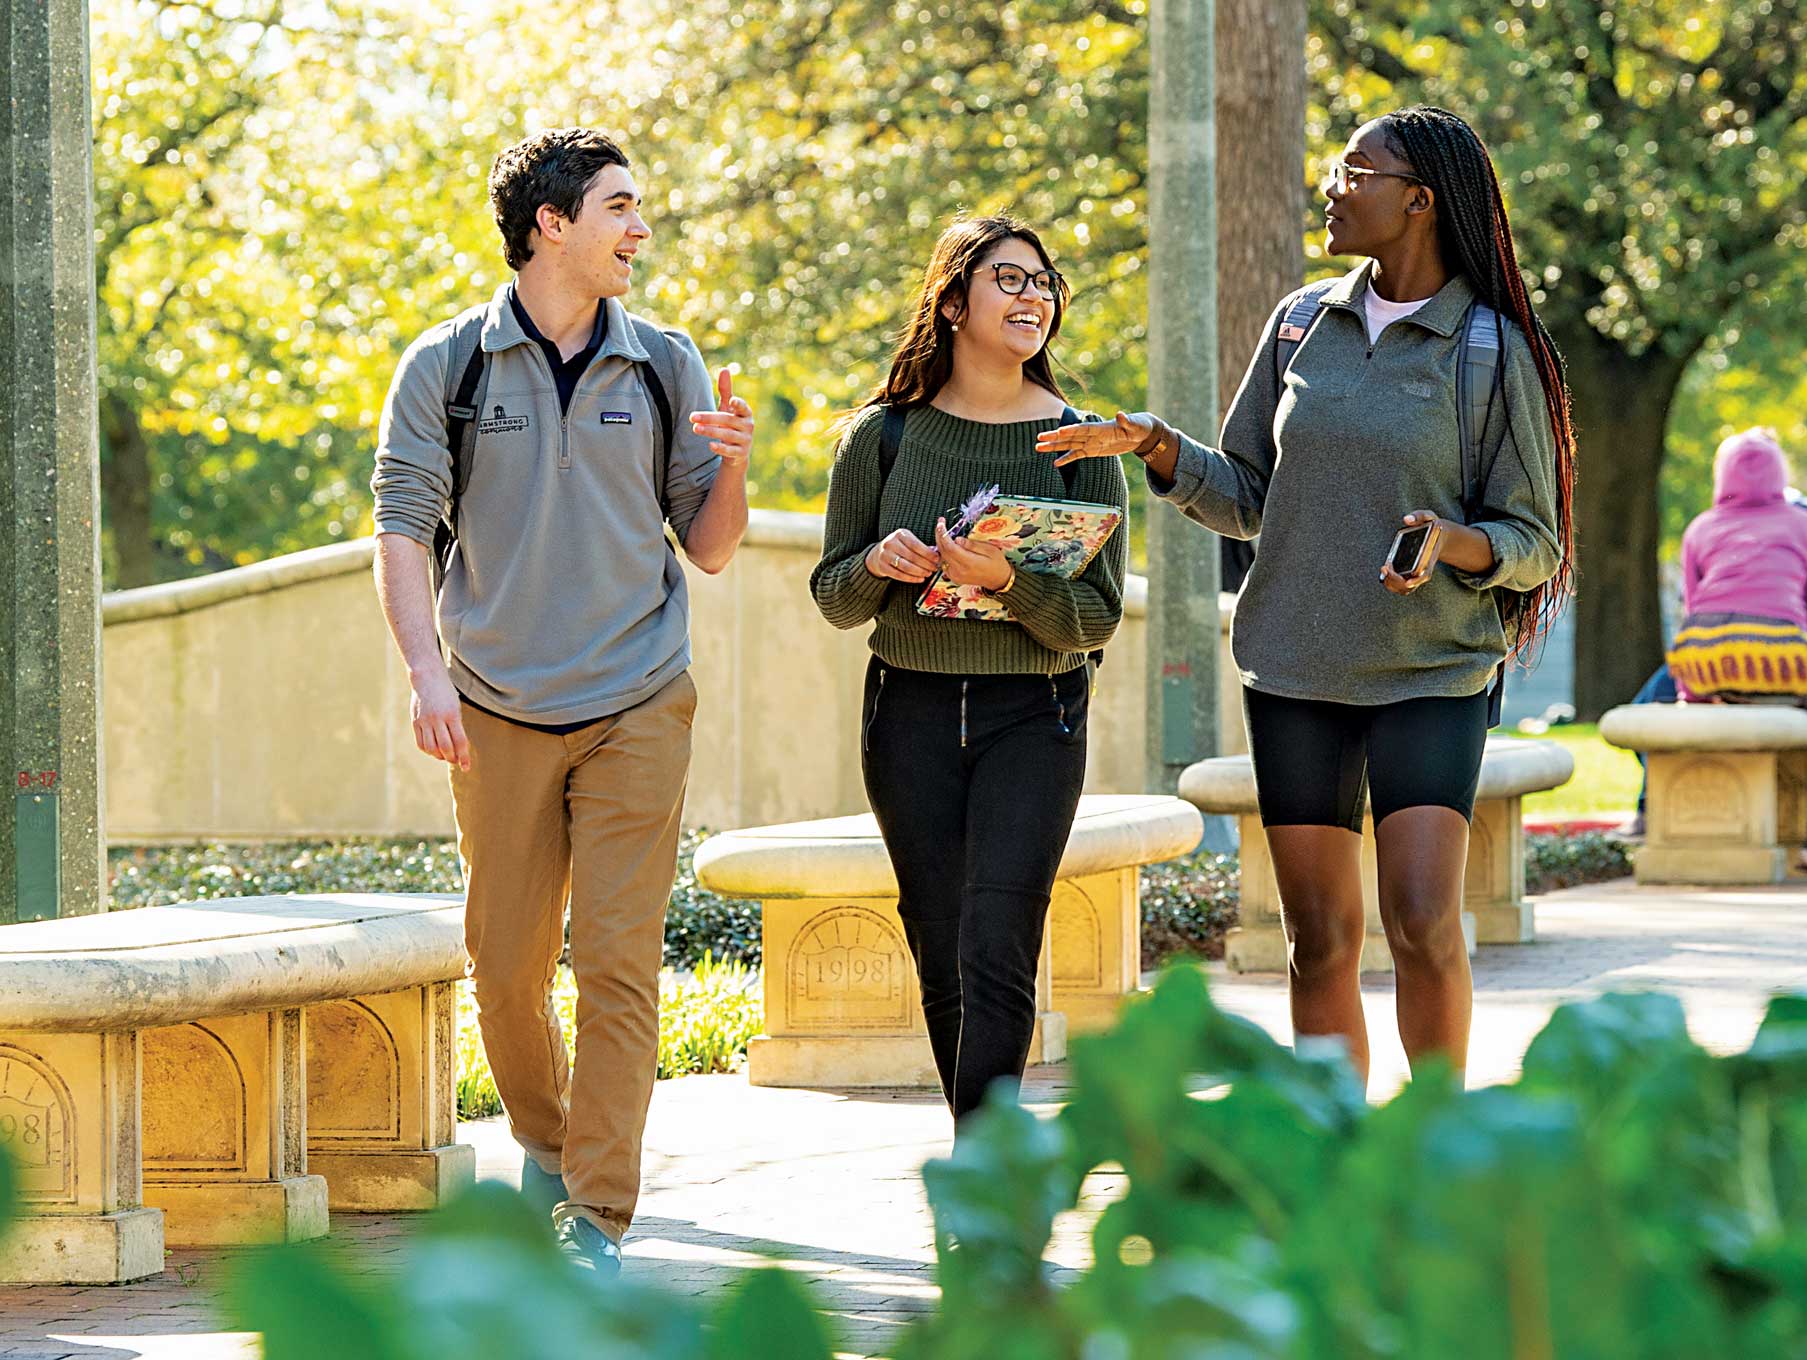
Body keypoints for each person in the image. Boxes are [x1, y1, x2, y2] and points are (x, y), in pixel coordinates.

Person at [1042, 106, 1571, 1085]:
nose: (1331, 186)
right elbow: (1249, 494)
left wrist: (1452, 541)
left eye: (1353, 171)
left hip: (1430, 671)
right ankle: (1330, 1143)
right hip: (1294, 668)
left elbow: (1534, 541)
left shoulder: (1490, 351)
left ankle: (1437, 1139)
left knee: (1420, 920)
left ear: (1418, 201)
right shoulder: (1300, 324)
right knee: (1318, 937)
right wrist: (1162, 447)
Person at [370, 128, 752, 1274]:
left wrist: (733, 455)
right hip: (492, 701)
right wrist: (427, 675)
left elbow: (715, 549)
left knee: (622, 961)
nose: (641, 229)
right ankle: (545, 1143)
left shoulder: (667, 362)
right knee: (504, 961)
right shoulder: (451, 366)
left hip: (640, 692)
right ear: (552, 225)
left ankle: (594, 1215)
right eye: (620, 208)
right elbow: (401, 530)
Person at [809, 215, 1129, 1127]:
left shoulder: (1081, 443)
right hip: (906, 713)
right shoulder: (882, 437)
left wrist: (1011, 583)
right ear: (953, 302)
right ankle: (981, 1150)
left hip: (1038, 715)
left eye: (1044, 282)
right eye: (1010, 279)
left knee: (999, 941)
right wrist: (880, 565)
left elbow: (1099, 616)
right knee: (940, 942)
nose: (1034, 297)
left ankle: (984, 1175)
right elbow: (833, 595)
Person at [1667, 428, 1807, 882]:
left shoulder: (1701, 525)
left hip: (1703, 657)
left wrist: (1691, 690)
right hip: (1779, 651)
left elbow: (1692, 604)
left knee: (1734, 672)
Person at [1617, 481, 1807, 837]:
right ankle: (1661, 804)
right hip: (1748, 651)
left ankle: (1654, 808)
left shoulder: (1804, 518)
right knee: (1648, 708)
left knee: (1655, 703)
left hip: (1773, 652)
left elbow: (1691, 601)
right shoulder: (1732, 520)